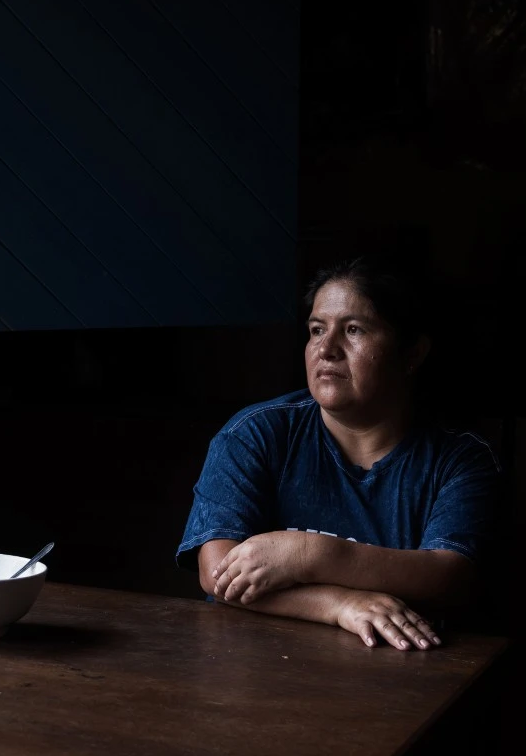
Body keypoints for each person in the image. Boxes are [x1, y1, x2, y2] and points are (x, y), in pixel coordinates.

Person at [175, 254, 499, 649]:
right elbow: (218, 575)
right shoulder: (254, 433)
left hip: (394, 680)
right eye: (316, 330)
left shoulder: (459, 458)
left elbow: (450, 576)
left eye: (354, 330)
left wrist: (312, 555)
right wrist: (338, 603)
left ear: (412, 353)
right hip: (247, 668)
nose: (326, 348)